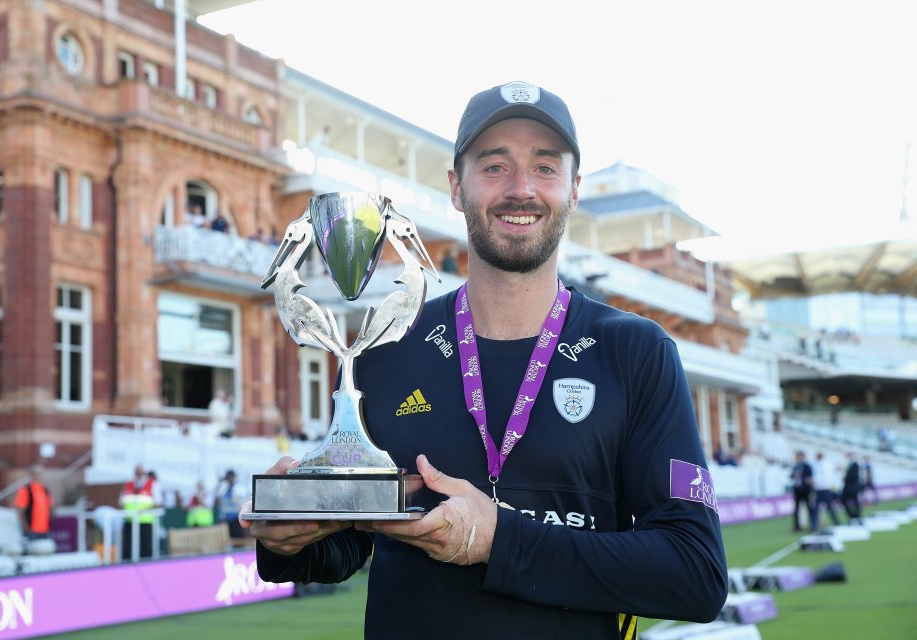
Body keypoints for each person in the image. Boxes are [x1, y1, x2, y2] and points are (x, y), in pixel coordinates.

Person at [246, 81, 727, 638]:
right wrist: (289, 540)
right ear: (456, 187)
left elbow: (695, 573)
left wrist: (501, 541)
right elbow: (351, 544)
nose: (521, 189)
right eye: (494, 166)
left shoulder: (636, 352)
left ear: (574, 188)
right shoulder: (387, 344)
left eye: (545, 167)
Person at [119, 463, 159, 560]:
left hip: (145, 520)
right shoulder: (128, 484)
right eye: (137, 472)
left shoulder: (152, 484)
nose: (138, 474)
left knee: (146, 548)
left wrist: (144, 511)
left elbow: (157, 503)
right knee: (127, 548)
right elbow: (121, 502)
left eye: (140, 472)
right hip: (130, 520)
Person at [14, 465, 53, 540]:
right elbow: (20, 511)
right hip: (32, 531)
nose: (38, 476)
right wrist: (25, 528)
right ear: (31, 475)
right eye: (36, 474)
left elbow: (50, 507)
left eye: (40, 474)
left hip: (45, 530)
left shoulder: (44, 490)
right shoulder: (26, 490)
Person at [811, 451, 841, 531]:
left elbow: (825, 478)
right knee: (819, 508)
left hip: (824, 489)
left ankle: (836, 522)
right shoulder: (820, 465)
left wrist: (815, 482)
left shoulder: (824, 465)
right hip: (821, 489)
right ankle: (814, 525)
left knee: (827, 508)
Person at [215, 470, 247, 540]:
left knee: (238, 539)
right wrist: (219, 484)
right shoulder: (223, 488)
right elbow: (217, 500)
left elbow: (241, 502)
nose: (229, 479)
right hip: (225, 519)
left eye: (231, 477)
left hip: (236, 519)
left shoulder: (239, 488)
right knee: (225, 540)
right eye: (228, 478)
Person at [790, 450, 814, 531]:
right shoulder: (796, 466)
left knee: (809, 508)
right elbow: (791, 476)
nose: (797, 458)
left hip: (805, 490)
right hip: (797, 490)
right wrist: (794, 475)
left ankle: (812, 525)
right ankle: (797, 526)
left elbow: (809, 478)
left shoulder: (807, 466)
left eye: (799, 456)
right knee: (797, 509)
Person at [841, 452, 862, 522]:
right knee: (844, 501)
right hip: (848, 488)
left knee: (855, 502)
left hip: (852, 488)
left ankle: (857, 516)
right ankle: (853, 516)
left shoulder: (855, 465)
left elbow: (852, 476)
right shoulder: (848, 465)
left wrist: (845, 477)